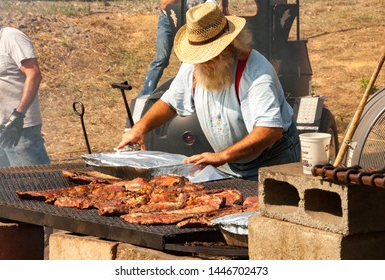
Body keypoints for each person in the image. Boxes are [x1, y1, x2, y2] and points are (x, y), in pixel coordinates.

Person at [118, 3, 300, 181]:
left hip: (273, 161)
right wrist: (140, 128)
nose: (200, 63)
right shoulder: (194, 65)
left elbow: (269, 131)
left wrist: (220, 156)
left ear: (227, 48)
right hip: (230, 162)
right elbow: (171, 102)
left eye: (206, 57)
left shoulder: (257, 73)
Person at [0, 19, 50, 167]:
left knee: (35, 181)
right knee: (4, 185)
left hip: (19, 128)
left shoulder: (11, 36)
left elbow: (33, 74)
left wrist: (18, 115)